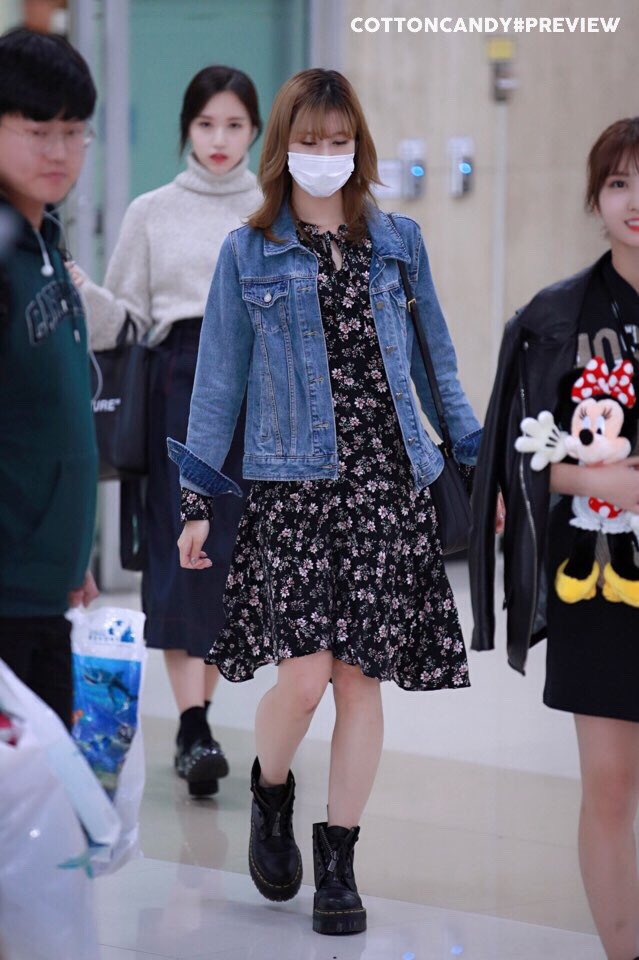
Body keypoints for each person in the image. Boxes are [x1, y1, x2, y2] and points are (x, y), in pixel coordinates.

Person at [170, 68, 482, 935]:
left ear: (358, 146)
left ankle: (339, 860)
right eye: (308, 141)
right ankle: (271, 789)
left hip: (385, 486)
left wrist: (475, 461)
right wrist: (197, 498)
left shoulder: (398, 243)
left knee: (359, 681)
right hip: (293, 492)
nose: (325, 156)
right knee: (302, 681)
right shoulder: (248, 252)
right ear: (284, 148)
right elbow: (217, 382)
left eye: (338, 141)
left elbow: (437, 364)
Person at [470, 117, 639, 960]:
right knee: (607, 787)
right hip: (599, 582)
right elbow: (516, 459)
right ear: (594, 198)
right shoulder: (554, 317)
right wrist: (594, 482)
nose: (633, 200)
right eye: (617, 182)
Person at [72, 66, 262, 797]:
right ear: (186, 126)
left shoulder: (273, 208)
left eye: (234, 125)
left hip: (256, 395)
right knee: (181, 555)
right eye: (206, 123)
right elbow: (123, 320)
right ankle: (192, 725)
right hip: (176, 385)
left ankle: (199, 720)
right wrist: (81, 292)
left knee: (234, 563)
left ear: (255, 132)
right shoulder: (151, 211)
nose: (219, 139)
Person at [0, 28, 99, 730]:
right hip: (5, 594)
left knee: (52, 784)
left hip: (47, 588)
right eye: (38, 131)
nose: (59, 151)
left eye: (73, 131)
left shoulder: (45, 242)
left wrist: (71, 549)